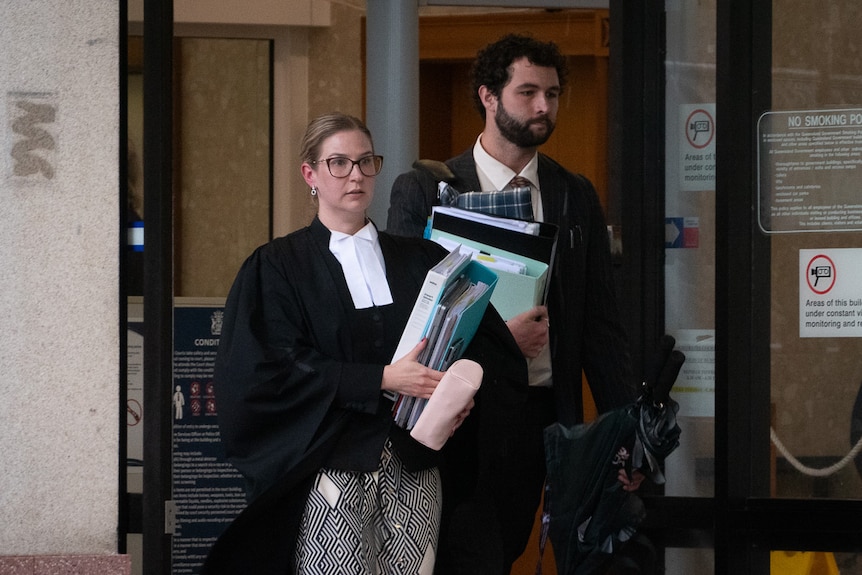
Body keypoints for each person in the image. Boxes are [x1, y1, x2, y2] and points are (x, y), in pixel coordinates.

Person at [201, 112, 526, 575]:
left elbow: (481, 349)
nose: (355, 175)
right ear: (310, 174)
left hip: (416, 466)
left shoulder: (425, 259)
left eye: (365, 161)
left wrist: (460, 396)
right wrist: (382, 379)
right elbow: (266, 370)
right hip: (329, 470)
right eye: (339, 163)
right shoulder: (278, 267)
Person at [387, 34, 642, 573]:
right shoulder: (427, 188)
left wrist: (627, 437)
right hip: (455, 415)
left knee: (507, 552)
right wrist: (502, 339)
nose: (543, 106)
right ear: (488, 96)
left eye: (552, 93)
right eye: (527, 92)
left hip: (537, 416)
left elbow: (601, 326)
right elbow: (410, 314)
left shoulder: (574, 194)